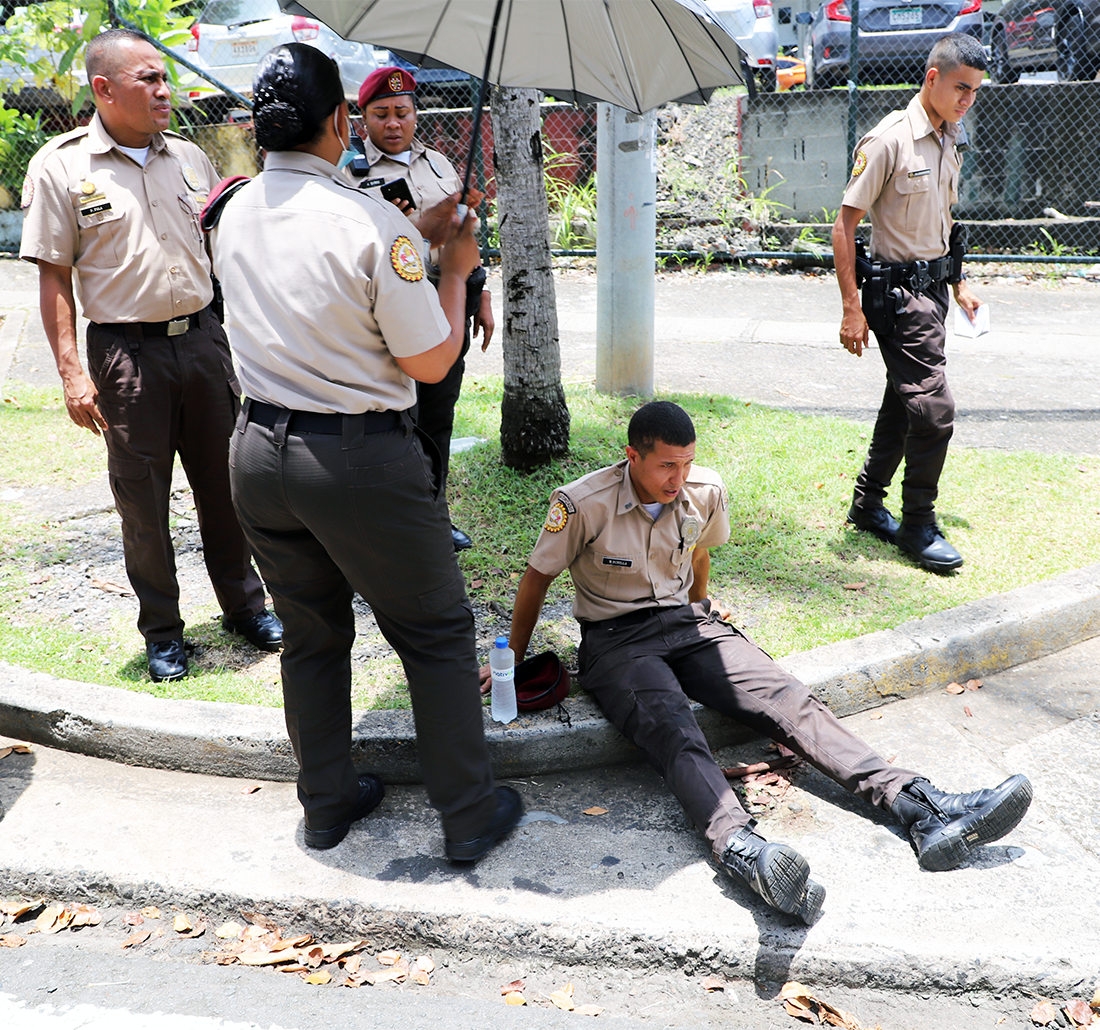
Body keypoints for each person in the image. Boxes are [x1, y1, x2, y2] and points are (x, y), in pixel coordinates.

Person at [483, 401, 1032, 922]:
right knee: (673, 729)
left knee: (788, 699)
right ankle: (741, 847)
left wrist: (700, 601)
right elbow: (537, 578)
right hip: (615, 641)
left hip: (688, 624)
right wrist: (512, 658)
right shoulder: (583, 502)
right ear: (633, 456)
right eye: (666, 466)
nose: (678, 478)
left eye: (687, 463)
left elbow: (698, 550)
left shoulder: (705, 489)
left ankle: (918, 804)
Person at [209, 43, 521, 858]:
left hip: (258, 452)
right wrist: (453, 270)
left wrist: (414, 241)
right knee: (436, 631)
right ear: (341, 121)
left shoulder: (234, 208)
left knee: (312, 635)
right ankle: (468, 813)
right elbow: (429, 362)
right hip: (355, 460)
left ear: (257, 125)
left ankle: (327, 803)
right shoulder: (369, 222)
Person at [19, 28, 281, 683]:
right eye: (148, 80)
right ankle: (163, 631)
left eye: (165, 78)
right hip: (126, 356)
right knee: (143, 501)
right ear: (103, 90)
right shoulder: (63, 166)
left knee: (227, 485)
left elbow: (222, 257)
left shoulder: (190, 158)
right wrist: (72, 374)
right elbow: (52, 275)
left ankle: (244, 606)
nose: (165, 91)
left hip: (202, 341)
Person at [832, 34, 986, 573]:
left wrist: (958, 282)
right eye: (960, 87)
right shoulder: (889, 140)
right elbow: (844, 225)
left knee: (903, 401)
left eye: (975, 91)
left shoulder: (950, 135)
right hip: (898, 298)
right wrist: (851, 307)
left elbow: (943, 220)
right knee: (934, 411)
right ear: (932, 78)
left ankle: (867, 504)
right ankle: (918, 523)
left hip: (933, 292)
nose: (967, 99)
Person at [354, 66, 494, 552]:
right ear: (362, 118)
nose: (393, 124)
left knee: (439, 416)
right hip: (397, 308)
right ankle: (391, 519)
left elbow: (467, 234)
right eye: (382, 115)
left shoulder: (438, 164)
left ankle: (434, 515)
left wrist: (484, 297)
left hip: (451, 299)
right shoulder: (351, 174)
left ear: (417, 115)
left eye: (403, 113)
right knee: (398, 418)